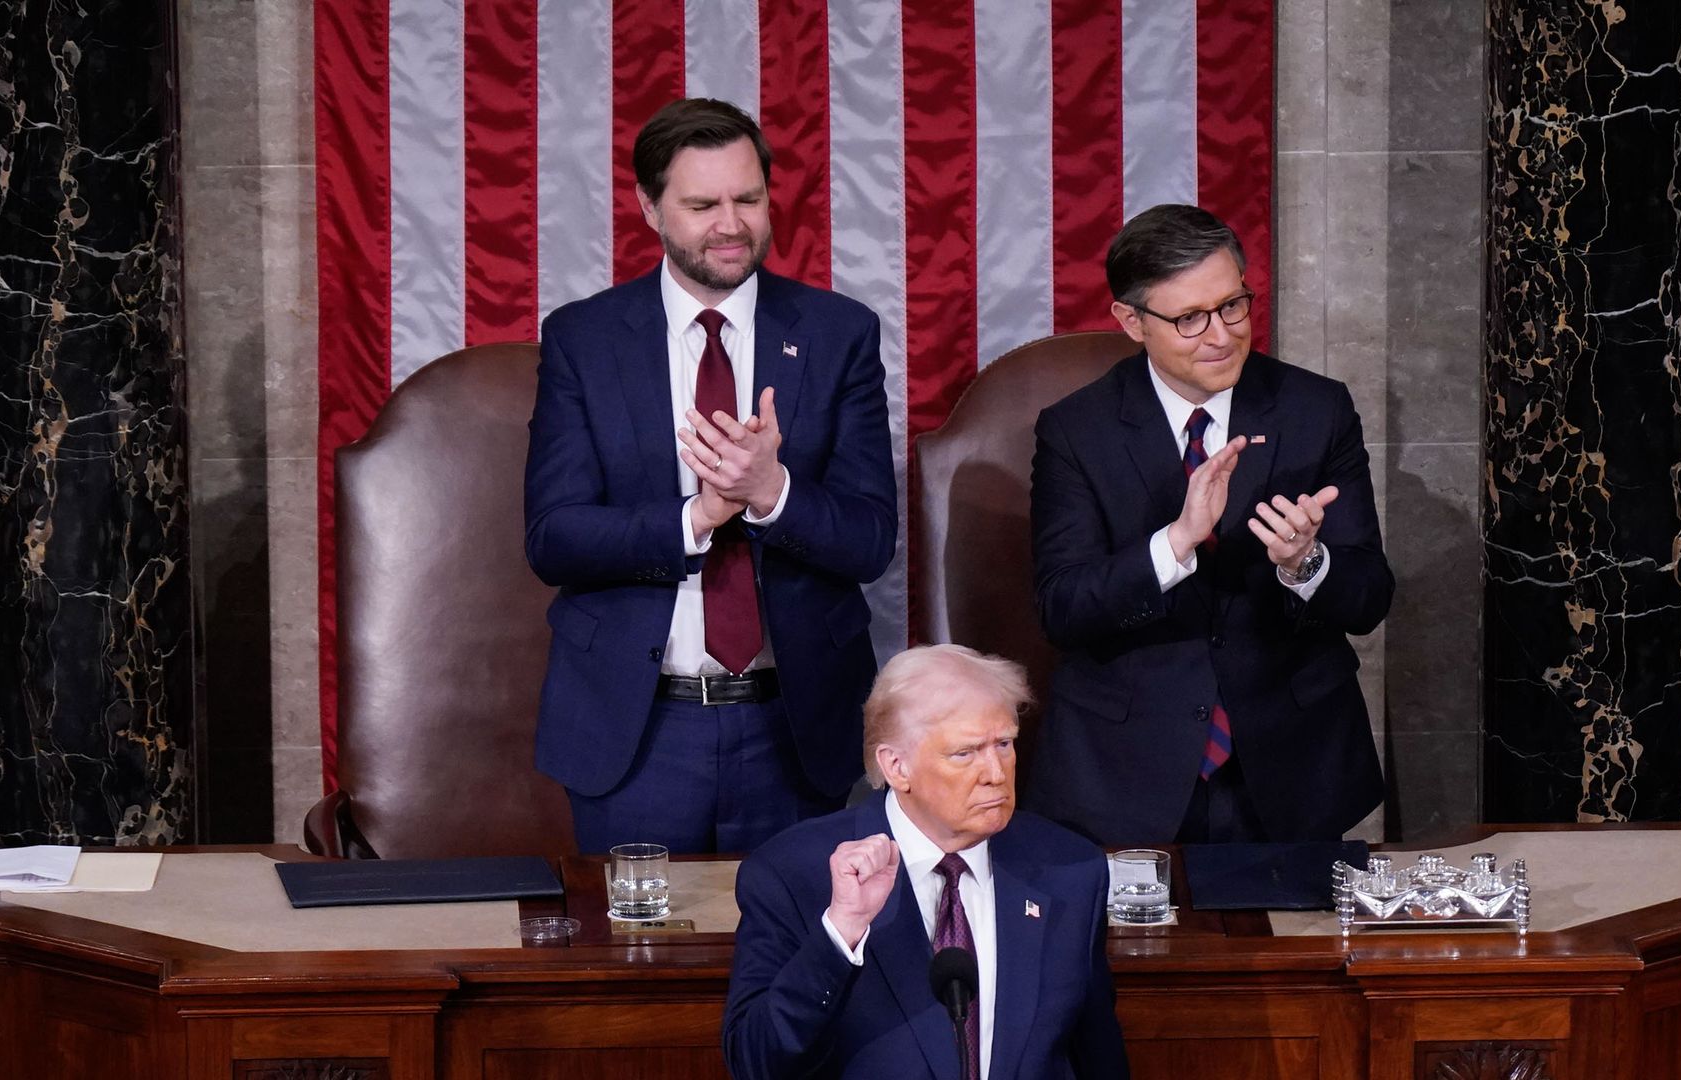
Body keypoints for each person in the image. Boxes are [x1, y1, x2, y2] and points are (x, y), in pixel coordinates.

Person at [524, 98, 896, 854]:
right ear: (649, 207)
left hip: (793, 730)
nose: (732, 224)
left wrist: (771, 495)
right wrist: (696, 517)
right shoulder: (584, 340)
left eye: (749, 199)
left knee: (802, 962)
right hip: (638, 731)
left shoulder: (836, 334)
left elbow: (869, 541)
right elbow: (553, 537)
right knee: (639, 965)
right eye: (702, 204)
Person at [1027, 203, 1394, 846]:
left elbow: (1368, 597)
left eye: (1233, 306)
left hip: (1292, 763)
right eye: (1190, 318)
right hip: (1127, 770)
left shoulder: (1317, 409)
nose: (1222, 335)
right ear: (1131, 321)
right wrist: (1175, 544)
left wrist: (1304, 564)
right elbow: (1063, 608)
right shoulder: (1075, 431)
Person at [723, 645, 1129, 1080]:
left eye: (1005, 744)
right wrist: (840, 932)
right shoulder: (792, 874)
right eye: (965, 753)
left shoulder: (1070, 870)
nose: (996, 772)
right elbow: (756, 1062)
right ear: (897, 766)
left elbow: (1097, 1055)